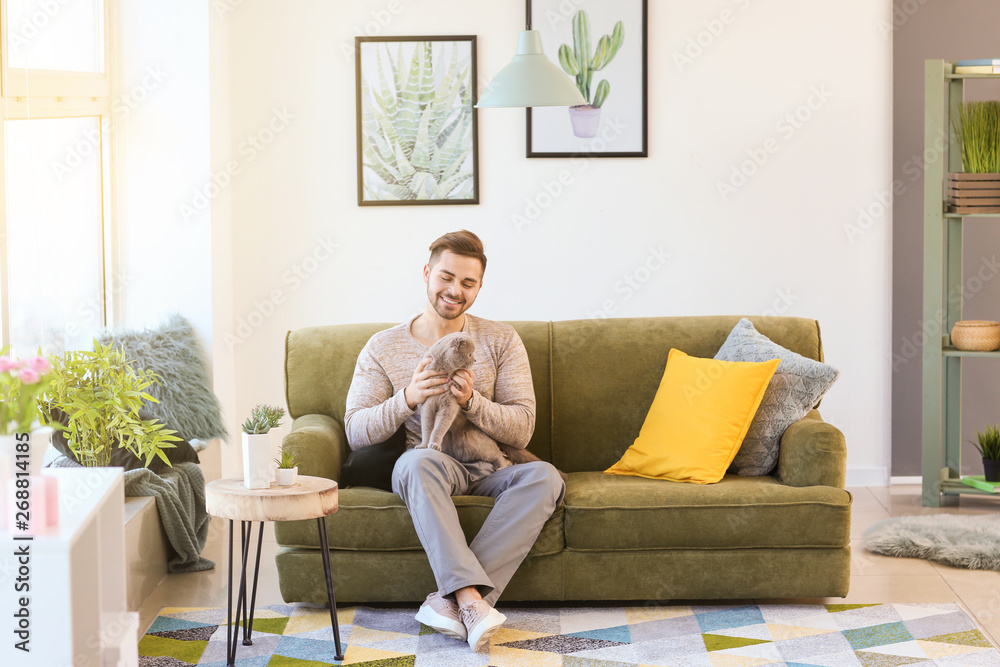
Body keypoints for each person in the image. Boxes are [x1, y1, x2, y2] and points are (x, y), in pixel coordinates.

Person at [344, 230, 565, 652]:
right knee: (414, 463)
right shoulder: (383, 347)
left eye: (468, 283)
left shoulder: (501, 340)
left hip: (491, 468)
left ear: (479, 286)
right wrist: (408, 397)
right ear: (427, 273)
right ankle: (470, 599)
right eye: (446, 277)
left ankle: (452, 601)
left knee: (546, 477)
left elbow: (522, 429)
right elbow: (356, 431)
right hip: (432, 467)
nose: (455, 291)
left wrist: (473, 401)